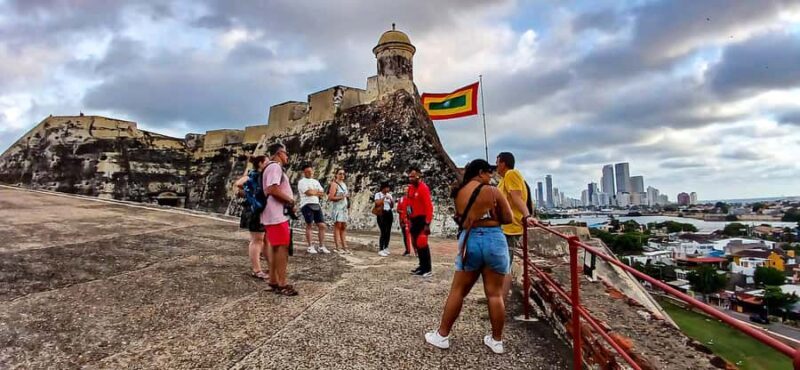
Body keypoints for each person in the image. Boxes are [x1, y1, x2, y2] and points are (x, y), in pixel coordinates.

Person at [425, 159, 513, 354]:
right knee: (495, 294)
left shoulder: (459, 192)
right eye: (488, 173)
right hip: (494, 240)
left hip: (470, 239)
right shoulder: (492, 191)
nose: (491, 176)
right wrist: (493, 215)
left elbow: (460, 217)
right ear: (480, 172)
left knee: (458, 291)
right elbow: (508, 219)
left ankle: (442, 335)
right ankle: (496, 341)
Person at [496, 152, 536, 301]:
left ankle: (499, 303)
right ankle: (496, 298)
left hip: (510, 228)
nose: (496, 165)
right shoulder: (505, 179)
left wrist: (526, 216)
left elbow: (516, 197)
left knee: (504, 266)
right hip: (505, 227)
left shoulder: (511, 174)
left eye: (497, 162)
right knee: (500, 265)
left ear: (503, 163)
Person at [262, 143, 298, 296]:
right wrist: (290, 201)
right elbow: (272, 188)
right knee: (282, 248)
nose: (287, 156)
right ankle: (282, 283)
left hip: (272, 214)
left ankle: (273, 280)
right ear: (278, 153)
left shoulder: (268, 168)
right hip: (276, 214)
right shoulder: (275, 167)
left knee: (275, 247)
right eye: (285, 153)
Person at [234, 155, 271, 280]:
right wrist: (246, 193)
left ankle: (270, 267)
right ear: (260, 163)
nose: (269, 163)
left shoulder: (262, 176)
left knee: (265, 240)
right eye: (266, 161)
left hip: (261, 210)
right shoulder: (253, 175)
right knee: (257, 240)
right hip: (254, 210)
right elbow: (238, 184)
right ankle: (257, 270)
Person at [407, 166, 434, 277]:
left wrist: (427, 223)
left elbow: (429, 206)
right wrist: (409, 217)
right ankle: (421, 266)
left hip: (423, 219)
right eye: (409, 177)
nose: (411, 179)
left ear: (419, 176)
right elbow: (410, 203)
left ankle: (428, 268)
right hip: (414, 219)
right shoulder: (411, 188)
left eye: (413, 176)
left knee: (422, 243)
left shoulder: (423, 188)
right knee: (416, 244)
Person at [298, 164, 329, 254]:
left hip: (316, 204)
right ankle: (310, 246)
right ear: (304, 172)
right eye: (307, 172)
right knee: (309, 225)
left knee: (322, 225)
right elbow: (308, 193)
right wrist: (315, 192)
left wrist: (313, 192)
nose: (310, 173)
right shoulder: (302, 182)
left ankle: (321, 246)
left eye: (311, 171)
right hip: (307, 204)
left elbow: (322, 192)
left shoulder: (315, 181)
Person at [327, 168, 350, 254]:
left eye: (343, 174)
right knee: (338, 226)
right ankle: (338, 246)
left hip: (344, 208)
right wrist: (342, 197)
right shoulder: (334, 184)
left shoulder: (344, 184)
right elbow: (331, 197)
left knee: (344, 227)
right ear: (336, 174)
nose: (342, 176)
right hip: (337, 208)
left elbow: (346, 197)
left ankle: (345, 246)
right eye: (340, 174)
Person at [374, 181, 394, 257]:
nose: (387, 189)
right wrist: (383, 198)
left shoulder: (389, 195)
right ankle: (381, 248)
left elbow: (392, 205)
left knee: (388, 231)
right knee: (383, 231)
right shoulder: (378, 194)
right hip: (382, 213)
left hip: (389, 213)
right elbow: (377, 203)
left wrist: (391, 200)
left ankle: (386, 247)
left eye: (388, 188)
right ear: (383, 188)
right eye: (386, 188)